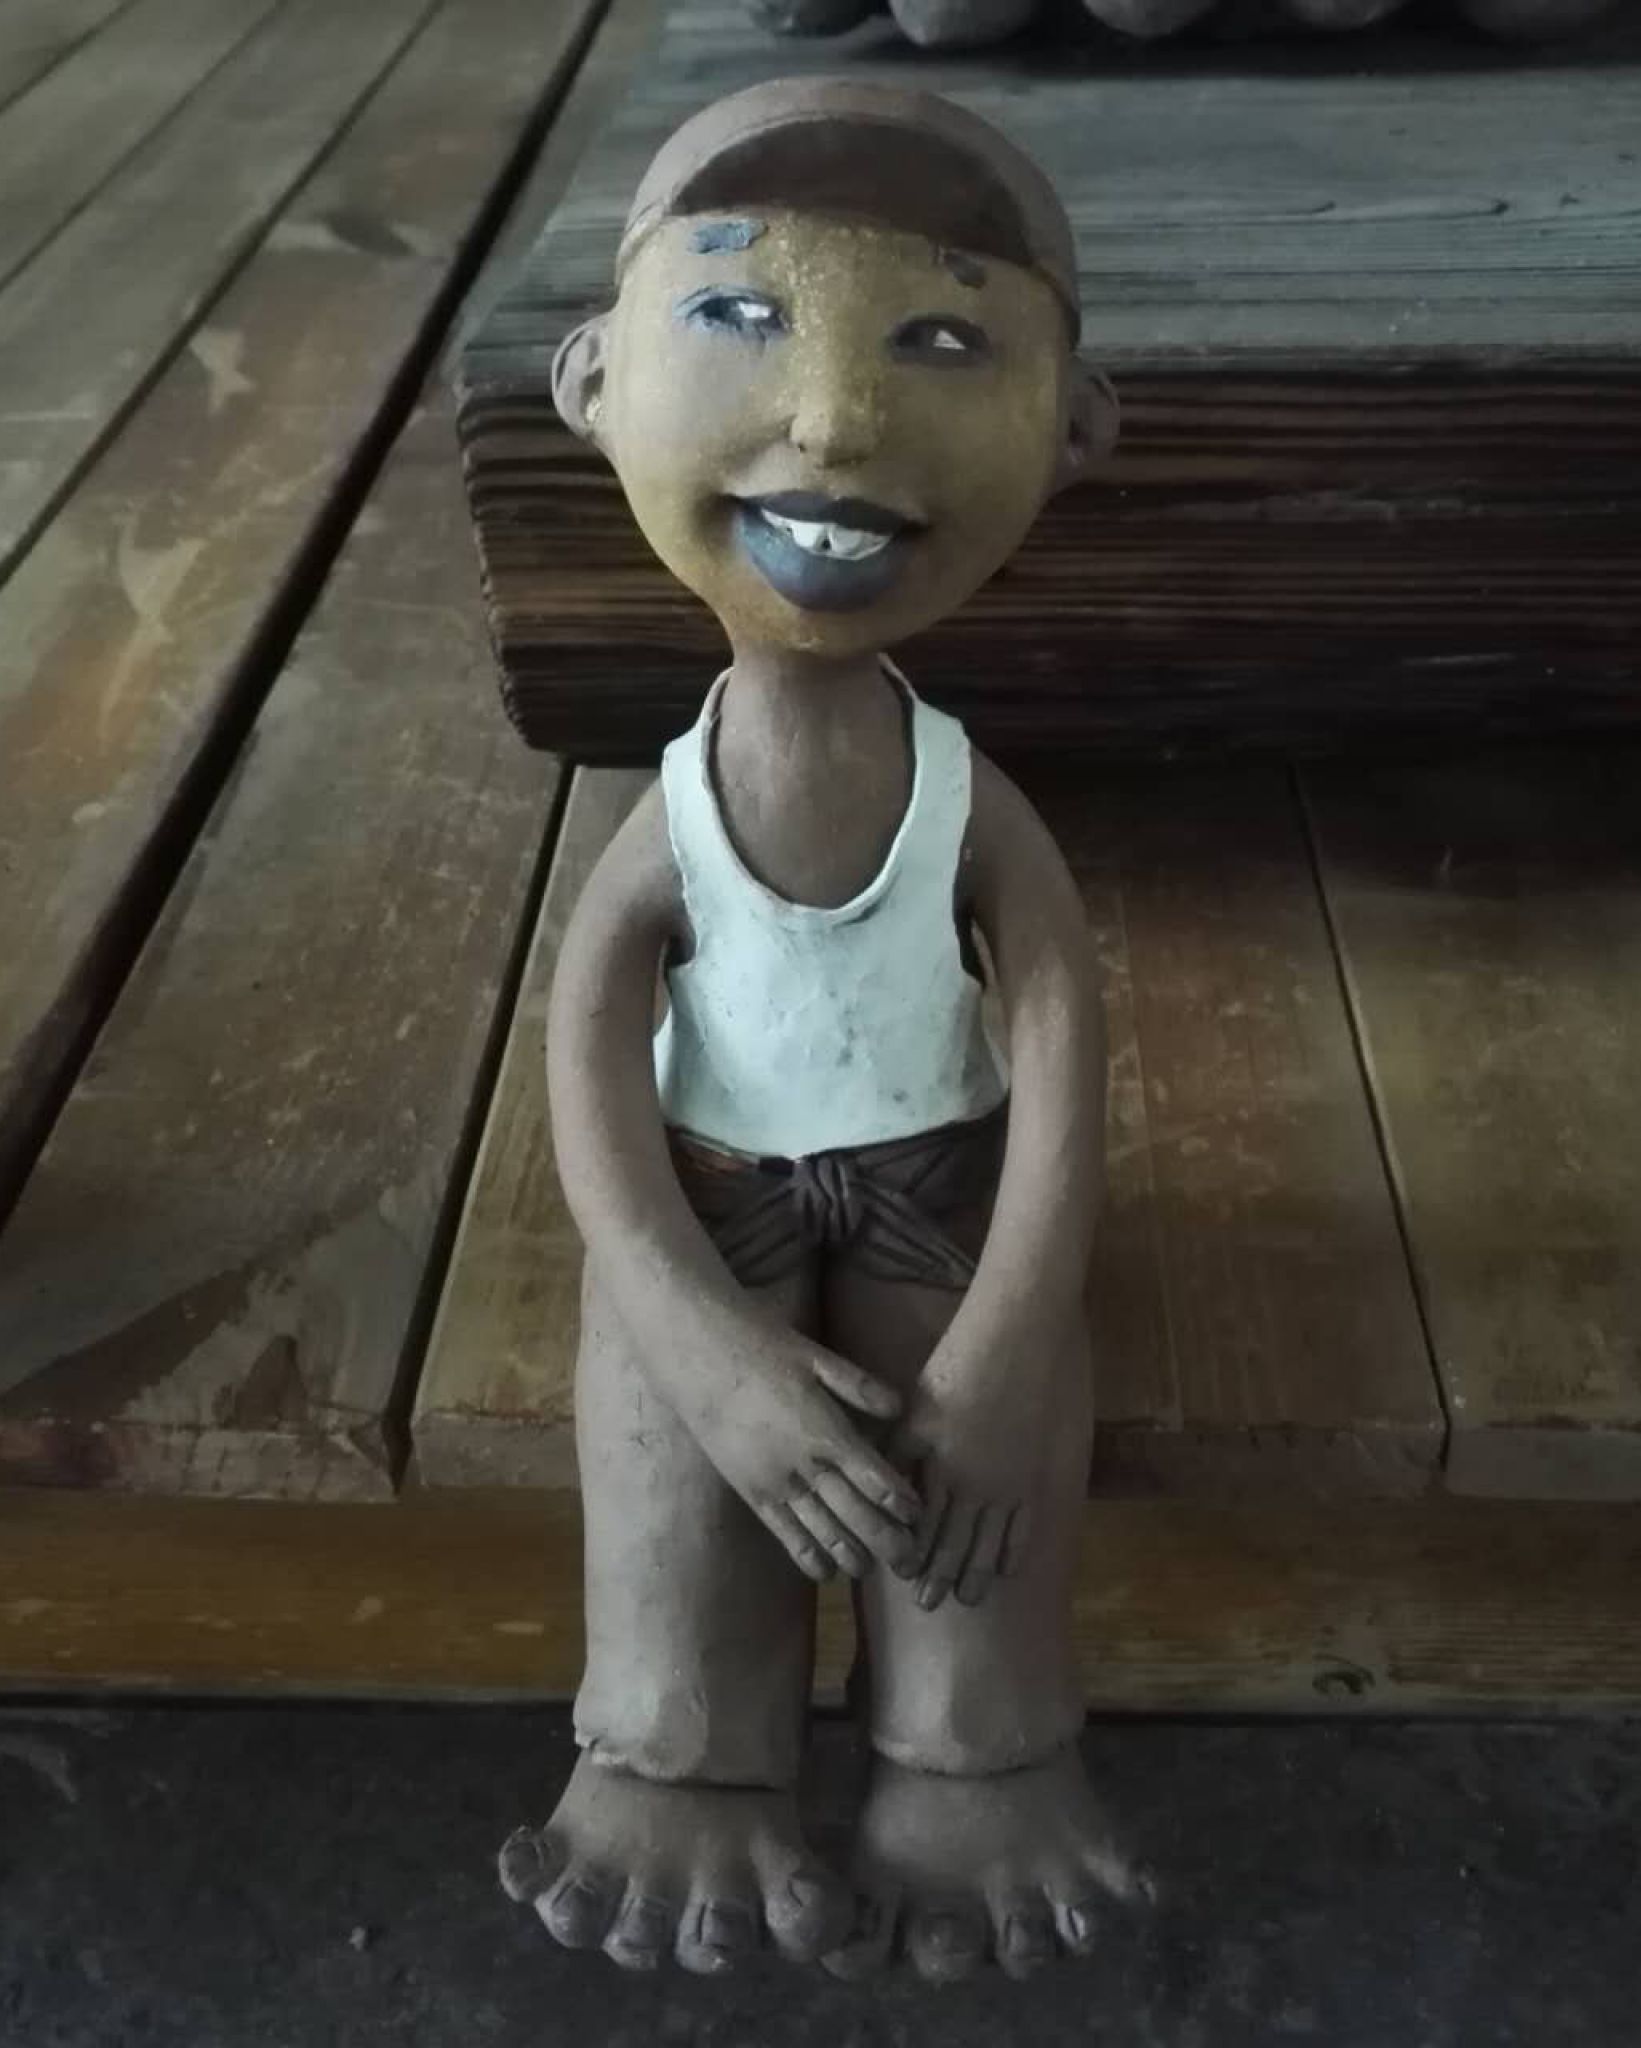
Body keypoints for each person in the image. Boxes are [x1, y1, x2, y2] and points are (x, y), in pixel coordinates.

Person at [495, 76, 1141, 1983]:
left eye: (942, 341)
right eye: (738, 312)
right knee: (668, 1425)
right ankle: (677, 1741)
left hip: (939, 1180)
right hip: (714, 1186)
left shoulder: (965, 798)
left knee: (976, 1457)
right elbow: (589, 1039)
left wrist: (1014, 1325)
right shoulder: (675, 813)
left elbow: (1059, 1020)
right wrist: (696, 1334)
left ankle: (975, 1741)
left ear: (1075, 424)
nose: (840, 418)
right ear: (595, 377)